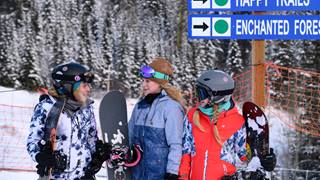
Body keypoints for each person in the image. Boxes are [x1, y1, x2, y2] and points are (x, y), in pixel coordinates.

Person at [179, 70, 276, 180]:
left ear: (217, 96)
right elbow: (185, 152)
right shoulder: (193, 116)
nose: (198, 98)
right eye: (198, 92)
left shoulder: (237, 123)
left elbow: (245, 158)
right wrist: (182, 177)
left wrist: (264, 161)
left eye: (202, 94)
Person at [27, 62, 111, 180]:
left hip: (84, 176)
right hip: (58, 176)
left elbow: (91, 139)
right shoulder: (47, 107)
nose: (88, 89)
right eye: (84, 85)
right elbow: (33, 141)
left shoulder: (86, 108)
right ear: (68, 86)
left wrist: (98, 154)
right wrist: (41, 157)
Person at [128, 58, 185, 180]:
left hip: (159, 174)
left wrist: (172, 172)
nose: (144, 85)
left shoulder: (171, 107)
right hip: (137, 174)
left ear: (160, 82)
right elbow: (129, 135)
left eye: (148, 81)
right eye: (143, 81)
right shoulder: (140, 106)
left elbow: (176, 144)